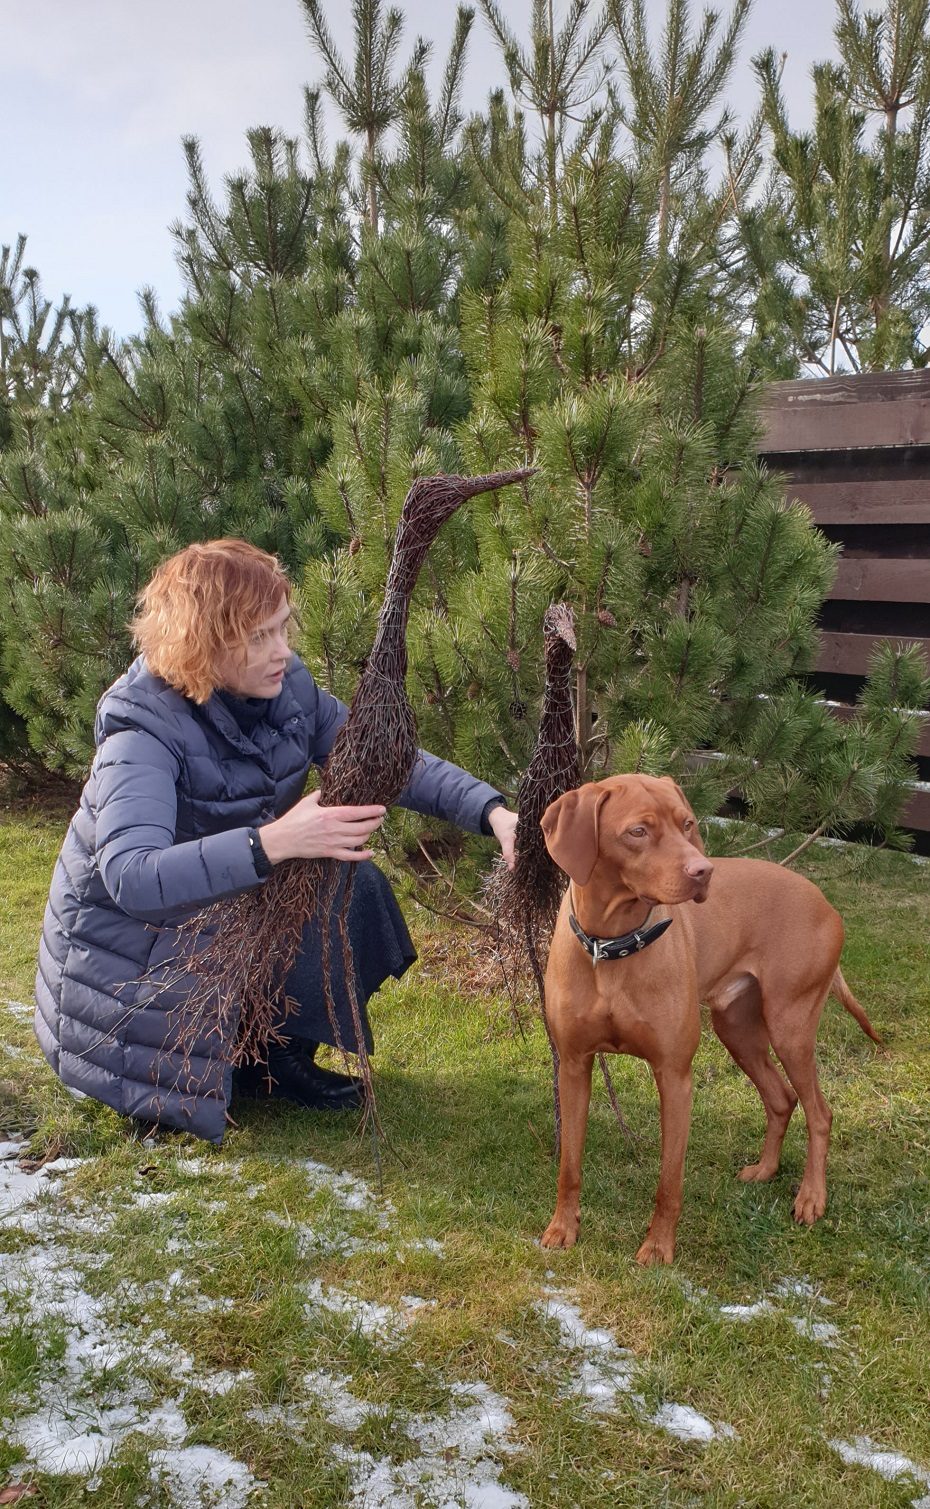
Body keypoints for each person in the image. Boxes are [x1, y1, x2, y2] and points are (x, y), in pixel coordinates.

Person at [34, 539, 517, 1143]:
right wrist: (272, 843)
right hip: (133, 954)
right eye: (259, 637)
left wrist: (492, 812)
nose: (282, 652)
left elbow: (388, 760)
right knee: (300, 863)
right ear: (203, 644)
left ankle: (278, 1059)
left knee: (352, 878)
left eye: (282, 629)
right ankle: (164, 1081)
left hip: (222, 909)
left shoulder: (290, 691)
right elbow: (133, 877)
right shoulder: (142, 729)